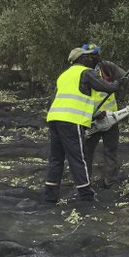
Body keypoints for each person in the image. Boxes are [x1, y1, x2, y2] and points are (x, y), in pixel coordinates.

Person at [43, 46, 123, 203]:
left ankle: (50, 196)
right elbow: (107, 87)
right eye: (87, 57)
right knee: (78, 158)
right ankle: (87, 196)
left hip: (54, 119)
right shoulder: (85, 72)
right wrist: (119, 82)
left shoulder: (64, 75)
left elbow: (54, 100)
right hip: (71, 121)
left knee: (56, 159)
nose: (90, 59)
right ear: (80, 59)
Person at [80, 43, 129, 188]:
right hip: (90, 120)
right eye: (90, 55)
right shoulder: (82, 73)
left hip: (110, 118)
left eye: (95, 54)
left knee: (110, 151)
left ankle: (111, 182)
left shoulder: (107, 67)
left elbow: (125, 78)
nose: (93, 58)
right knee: (86, 153)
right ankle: (85, 183)